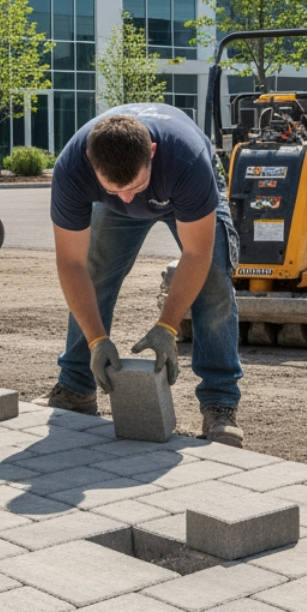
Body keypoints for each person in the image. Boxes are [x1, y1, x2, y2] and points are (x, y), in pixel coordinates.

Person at [47, 105, 244, 446]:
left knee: (213, 280)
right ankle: (76, 388)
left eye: (135, 186)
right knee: (96, 271)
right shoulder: (72, 168)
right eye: (114, 190)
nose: (127, 198)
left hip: (178, 189)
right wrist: (97, 340)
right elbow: (72, 264)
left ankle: (219, 404)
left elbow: (196, 254)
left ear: (151, 152)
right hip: (131, 191)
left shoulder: (186, 160)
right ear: (91, 160)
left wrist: (167, 327)